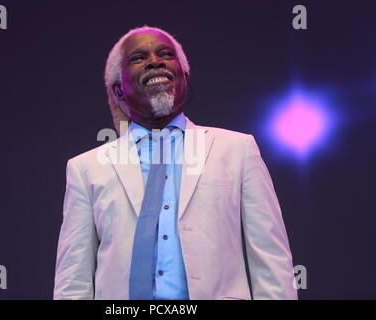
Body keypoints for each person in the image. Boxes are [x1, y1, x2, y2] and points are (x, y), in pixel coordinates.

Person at [53, 25, 297, 300]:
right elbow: (73, 279)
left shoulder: (237, 150)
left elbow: (271, 261)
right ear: (119, 90)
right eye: (137, 58)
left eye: (166, 54)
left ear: (185, 76)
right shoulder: (87, 168)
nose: (155, 61)